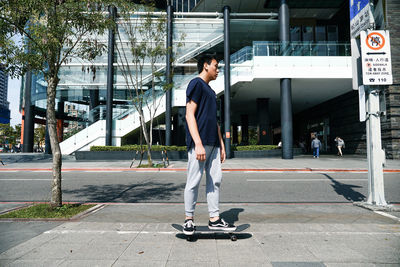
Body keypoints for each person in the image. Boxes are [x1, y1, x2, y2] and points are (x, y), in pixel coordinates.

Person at [183, 54, 236, 235]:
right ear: (205, 66)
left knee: (215, 181)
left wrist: (221, 144)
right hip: (200, 142)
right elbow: (189, 114)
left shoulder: (211, 92)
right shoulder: (196, 84)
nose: (218, 70)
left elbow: (215, 121)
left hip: (213, 143)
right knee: (194, 181)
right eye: (216, 66)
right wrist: (197, 143)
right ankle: (188, 219)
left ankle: (214, 219)